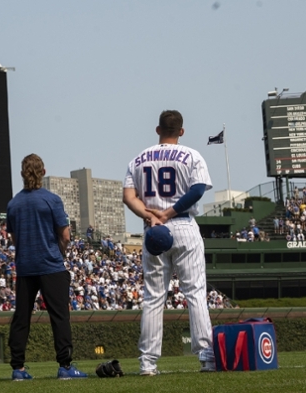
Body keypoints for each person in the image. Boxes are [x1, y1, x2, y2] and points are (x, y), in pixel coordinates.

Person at [123, 110, 215, 375]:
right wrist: (169, 213)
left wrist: (151, 216)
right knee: (195, 293)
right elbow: (198, 190)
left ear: (157, 130)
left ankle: (147, 363)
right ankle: (207, 357)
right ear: (181, 131)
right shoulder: (192, 155)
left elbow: (129, 197)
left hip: (154, 231)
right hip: (183, 224)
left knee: (153, 298)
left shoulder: (138, 159)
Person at [6, 154, 87, 381]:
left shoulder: (13, 204)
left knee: (22, 317)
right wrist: (59, 251)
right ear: (42, 172)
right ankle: (65, 366)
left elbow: (13, 237)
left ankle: (18, 368)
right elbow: (65, 235)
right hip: (51, 265)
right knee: (59, 317)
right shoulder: (52, 200)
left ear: (23, 173)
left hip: (25, 267)